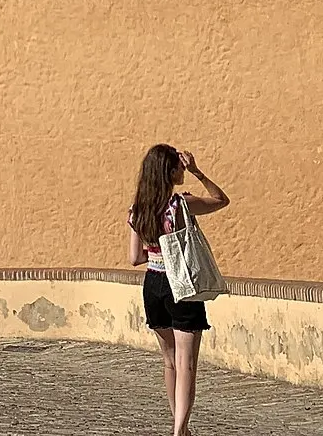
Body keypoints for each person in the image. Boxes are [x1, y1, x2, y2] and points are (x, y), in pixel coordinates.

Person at [126, 144, 229, 436]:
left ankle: (179, 427)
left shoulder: (137, 210)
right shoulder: (180, 205)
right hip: (181, 284)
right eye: (180, 168)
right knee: (187, 364)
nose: (183, 170)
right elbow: (221, 200)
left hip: (153, 284)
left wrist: (156, 250)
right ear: (170, 172)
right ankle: (179, 429)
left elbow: (135, 258)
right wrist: (198, 171)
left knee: (170, 361)